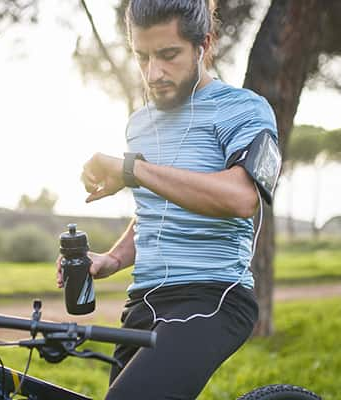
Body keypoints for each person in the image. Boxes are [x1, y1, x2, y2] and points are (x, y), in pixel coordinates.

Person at [56, 0, 279, 398]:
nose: (153, 72)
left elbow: (242, 198)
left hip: (214, 296)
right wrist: (113, 259)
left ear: (204, 45)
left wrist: (133, 170)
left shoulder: (243, 109)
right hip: (143, 303)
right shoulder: (139, 124)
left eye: (168, 54)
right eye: (142, 57)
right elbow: (156, 211)